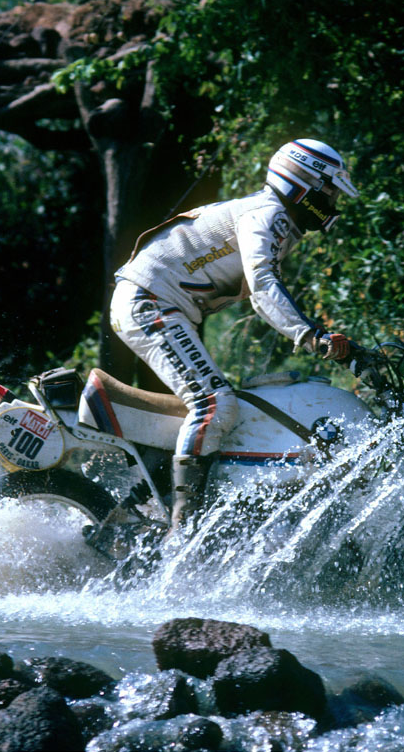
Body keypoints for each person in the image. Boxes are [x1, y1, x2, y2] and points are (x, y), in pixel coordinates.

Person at [109, 138, 359, 537]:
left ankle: (160, 505)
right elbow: (263, 288)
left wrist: (318, 336)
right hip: (150, 302)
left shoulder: (275, 217)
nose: (332, 203)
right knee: (214, 404)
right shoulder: (268, 215)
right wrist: (314, 338)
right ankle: (184, 532)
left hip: (159, 303)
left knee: (216, 408)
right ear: (304, 184)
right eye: (328, 191)